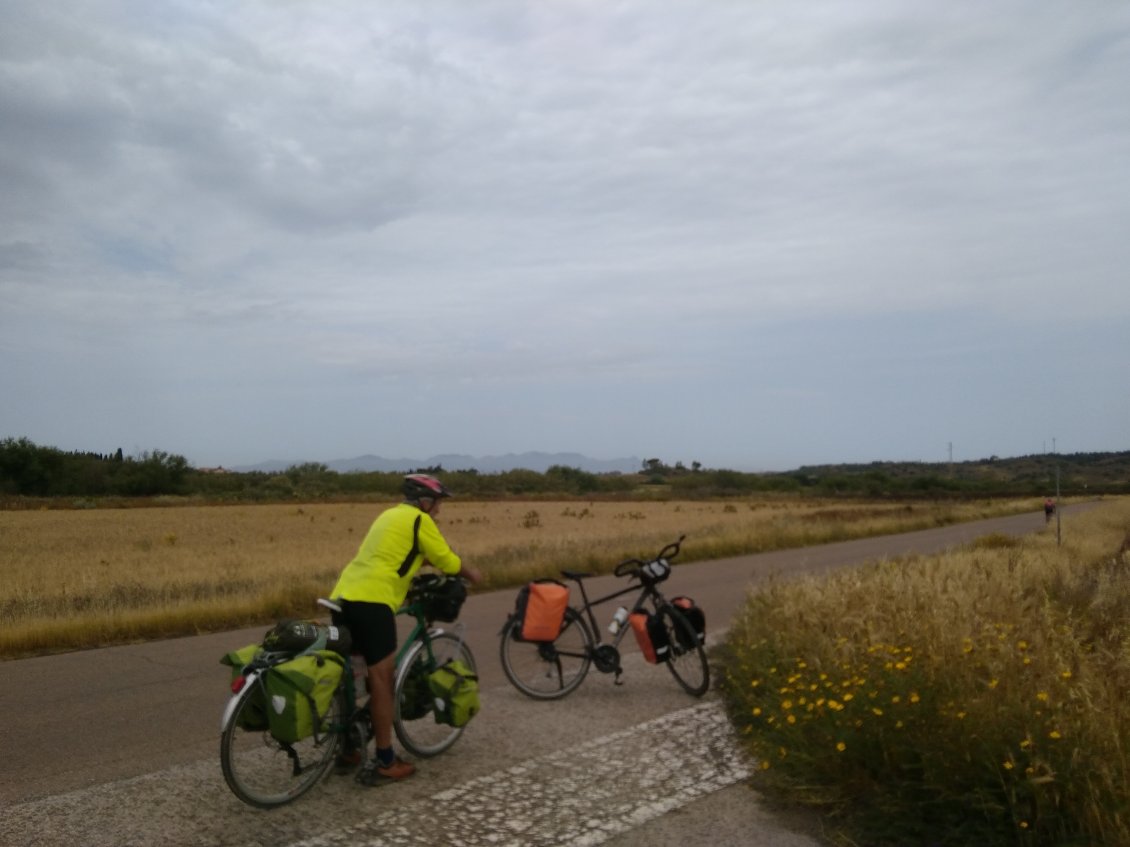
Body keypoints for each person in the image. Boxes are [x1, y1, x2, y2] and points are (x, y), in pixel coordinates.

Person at [329, 473, 484, 786]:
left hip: (344, 597)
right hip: (374, 603)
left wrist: (419, 564)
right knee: (382, 680)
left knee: (352, 674)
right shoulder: (419, 520)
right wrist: (473, 574)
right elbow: (447, 559)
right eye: (438, 504)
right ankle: (385, 760)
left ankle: (348, 749)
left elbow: (393, 555)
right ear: (425, 502)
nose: (438, 510)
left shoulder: (388, 516)